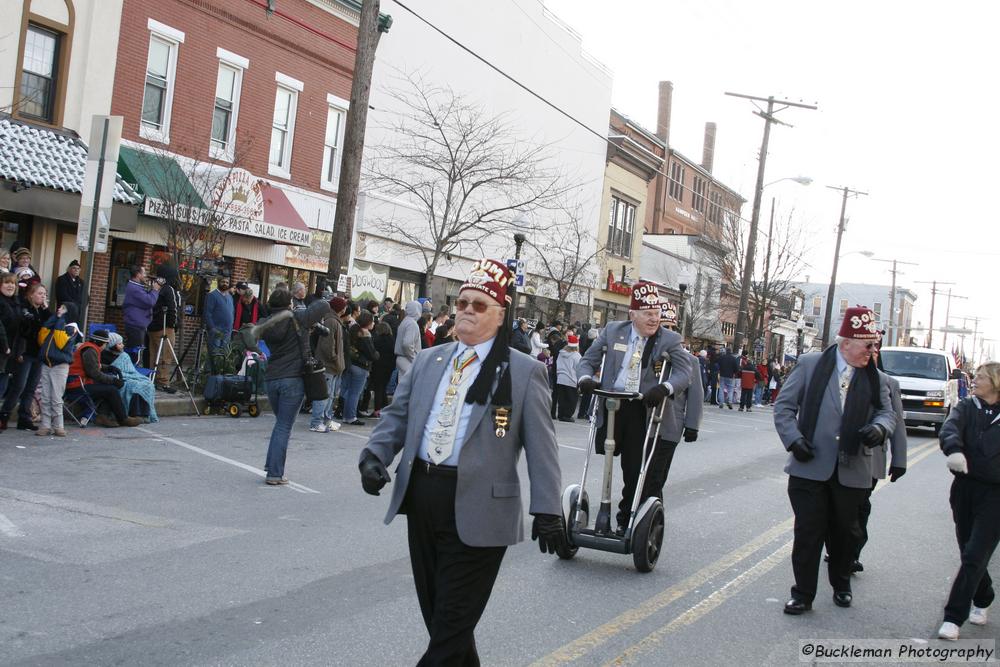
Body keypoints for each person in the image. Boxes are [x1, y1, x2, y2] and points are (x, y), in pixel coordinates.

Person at [358, 258, 565, 665]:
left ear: (500, 315)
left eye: (480, 305)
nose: (468, 310)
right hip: (423, 498)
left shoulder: (523, 372)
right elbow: (398, 416)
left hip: (482, 511)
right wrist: (374, 455)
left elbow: (544, 448)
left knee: (450, 627)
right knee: (445, 624)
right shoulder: (429, 360)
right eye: (463, 302)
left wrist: (548, 509)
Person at [772, 306, 896, 615]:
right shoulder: (810, 365)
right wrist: (793, 439)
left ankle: (841, 583)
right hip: (809, 465)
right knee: (808, 533)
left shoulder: (875, 377)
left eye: (874, 344)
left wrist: (879, 428)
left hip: (852, 469)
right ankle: (802, 594)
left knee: (845, 532)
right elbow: (784, 407)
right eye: (867, 344)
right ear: (846, 344)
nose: (872, 350)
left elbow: (887, 412)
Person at [576, 282, 692, 535]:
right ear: (632, 315)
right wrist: (585, 379)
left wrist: (665, 388)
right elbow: (587, 361)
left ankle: (625, 519)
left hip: (642, 407)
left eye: (657, 313)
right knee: (604, 457)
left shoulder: (669, 339)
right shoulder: (613, 331)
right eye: (648, 314)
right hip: (612, 402)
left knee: (634, 467)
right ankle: (589, 512)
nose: (654, 319)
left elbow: (685, 373)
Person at [936, 361, 1000, 641]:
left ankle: (953, 618)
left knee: (975, 553)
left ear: (996, 383)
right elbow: (949, 428)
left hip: (996, 494)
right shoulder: (966, 406)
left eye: (982, 377)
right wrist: (954, 449)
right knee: (969, 552)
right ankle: (983, 595)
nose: (975, 380)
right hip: (964, 488)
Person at [252, 290, 330, 485]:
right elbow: (324, 306)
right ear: (289, 303)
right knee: (284, 426)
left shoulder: (266, 322)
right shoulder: (297, 317)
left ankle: (271, 466)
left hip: (272, 378)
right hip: (293, 379)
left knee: (280, 425)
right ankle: (275, 474)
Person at [67, 330, 143, 428]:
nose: (105, 347)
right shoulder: (90, 350)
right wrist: (113, 380)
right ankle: (123, 419)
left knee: (108, 388)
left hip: (79, 383)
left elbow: (94, 365)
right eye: (105, 344)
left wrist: (108, 367)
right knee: (112, 390)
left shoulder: (89, 347)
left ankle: (102, 416)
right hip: (77, 386)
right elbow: (94, 373)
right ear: (101, 343)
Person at [655, 348, 704, 498]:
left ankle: (651, 515)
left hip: (670, 426)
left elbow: (696, 394)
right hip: (642, 423)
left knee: (656, 477)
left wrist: (692, 425)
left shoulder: (690, 360)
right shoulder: (649, 353)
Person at [2, 282, 51, 431]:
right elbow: (26, 329)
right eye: (40, 293)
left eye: (44, 294)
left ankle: (24, 417)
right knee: (19, 386)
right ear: (31, 295)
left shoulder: (42, 311)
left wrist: (46, 309)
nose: (42, 297)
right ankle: (4, 415)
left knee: (31, 387)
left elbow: (52, 324)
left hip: (38, 353)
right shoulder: (24, 308)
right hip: (25, 352)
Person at [36, 302, 80, 437]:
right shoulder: (56, 324)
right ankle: (45, 425)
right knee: (45, 396)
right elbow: (41, 338)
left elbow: (61, 343)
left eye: (63, 309)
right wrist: (53, 319)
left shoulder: (71, 328)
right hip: (47, 364)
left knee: (56, 397)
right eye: (59, 307)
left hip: (60, 365)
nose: (59, 310)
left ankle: (58, 426)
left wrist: (60, 320)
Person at [309, 296, 346, 433]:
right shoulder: (331, 321)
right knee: (324, 394)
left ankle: (326, 419)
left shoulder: (333, 320)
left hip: (333, 366)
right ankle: (316, 422)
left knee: (330, 395)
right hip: (328, 364)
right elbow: (328, 345)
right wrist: (335, 359)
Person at [104, 331, 158, 423]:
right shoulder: (105, 356)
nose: (122, 345)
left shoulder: (124, 355)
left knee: (147, 383)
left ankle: (145, 413)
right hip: (118, 378)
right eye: (119, 344)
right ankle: (135, 414)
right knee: (133, 386)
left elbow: (131, 370)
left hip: (131, 375)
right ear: (112, 345)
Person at [148, 263, 181, 390]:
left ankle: (153, 378)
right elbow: (173, 310)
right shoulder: (169, 290)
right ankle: (163, 382)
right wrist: (173, 326)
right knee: (165, 356)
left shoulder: (155, 288)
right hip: (165, 327)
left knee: (154, 355)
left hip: (152, 326)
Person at [342, 311, 378, 426]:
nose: (373, 324)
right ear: (368, 322)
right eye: (372, 321)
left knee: (348, 391)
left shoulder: (353, 330)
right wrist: (377, 354)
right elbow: (372, 354)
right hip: (361, 366)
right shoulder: (365, 335)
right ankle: (351, 416)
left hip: (351, 364)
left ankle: (345, 415)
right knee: (355, 393)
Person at [122, 265, 160, 355]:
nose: (146, 275)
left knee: (135, 351)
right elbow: (150, 301)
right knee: (135, 353)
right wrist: (155, 290)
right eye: (144, 273)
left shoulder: (136, 286)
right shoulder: (134, 288)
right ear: (138, 274)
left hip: (137, 324)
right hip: (135, 326)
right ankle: (131, 368)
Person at [0, 272, 20, 424]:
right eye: (7, 282)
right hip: (3, 349)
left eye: (13, 283)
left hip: (9, 353)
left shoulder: (16, 303)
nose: (10, 286)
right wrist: (5, 346)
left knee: (3, 386)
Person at [203, 279, 235, 374]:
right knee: (213, 354)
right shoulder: (212, 296)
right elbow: (207, 313)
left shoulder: (230, 297)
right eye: (223, 282)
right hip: (216, 330)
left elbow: (232, 312)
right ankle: (208, 376)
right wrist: (212, 328)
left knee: (223, 354)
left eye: (227, 282)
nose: (225, 284)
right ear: (218, 283)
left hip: (227, 331)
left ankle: (218, 375)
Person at [370, 321, 396, 418]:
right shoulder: (392, 339)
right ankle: (384, 407)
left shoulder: (377, 340)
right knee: (383, 387)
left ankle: (377, 409)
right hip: (388, 367)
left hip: (378, 366)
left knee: (378, 388)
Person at [555, 334, 581, 421]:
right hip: (571, 379)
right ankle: (567, 415)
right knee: (571, 399)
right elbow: (578, 368)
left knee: (561, 399)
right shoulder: (576, 355)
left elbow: (557, 364)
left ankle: (561, 414)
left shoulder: (561, 353)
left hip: (561, 378)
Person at [395, 300, 422, 378]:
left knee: (402, 386)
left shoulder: (405, 321)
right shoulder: (412, 324)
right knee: (408, 387)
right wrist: (413, 358)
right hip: (407, 359)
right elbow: (407, 344)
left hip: (402, 358)